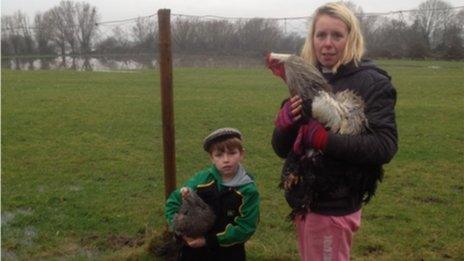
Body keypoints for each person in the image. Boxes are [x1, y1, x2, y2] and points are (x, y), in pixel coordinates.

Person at [272, 2, 398, 261]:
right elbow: (282, 149)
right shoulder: (309, 77)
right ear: (312, 38)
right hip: (304, 199)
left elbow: (384, 146)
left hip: (335, 204)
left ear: (351, 38)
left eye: (337, 35)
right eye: (321, 35)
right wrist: (284, 127)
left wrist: (323, 139)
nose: (327, 43)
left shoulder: (372, 81)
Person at [165, 127, 260, 261]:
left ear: (242, 154)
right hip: (193, 252)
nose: (226, 159)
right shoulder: (201, 180)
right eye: (219, 155)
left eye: (232, 153)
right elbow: (173, 202)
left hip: (229, 253)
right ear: (211, 157)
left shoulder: (248, 191)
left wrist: (208, 240)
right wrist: (180, 229)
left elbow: (246, 227)